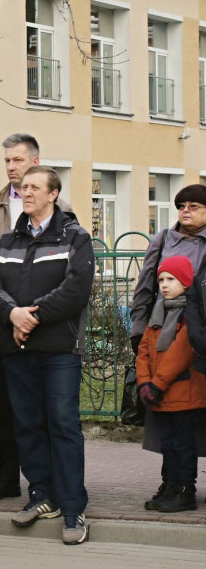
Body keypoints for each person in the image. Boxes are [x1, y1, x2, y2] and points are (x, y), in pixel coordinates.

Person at [0, 165, 95, 546]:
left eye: (33, 187)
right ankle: (41, 495)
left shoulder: (75, 238)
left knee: (62, 424)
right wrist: (12, 313)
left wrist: (33, 315)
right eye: (23, 187)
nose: (25, 192)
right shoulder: (7, 242)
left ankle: (73, 507)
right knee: (27, 425)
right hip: (16, 347)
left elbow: (76, 289)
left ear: (52, 194)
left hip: (58, 348)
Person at [0, 133, 70, 503]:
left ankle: (50, 482)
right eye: (7, 161)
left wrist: (35, 312)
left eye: (18, 161)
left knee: (49, 408)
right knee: (8, 408)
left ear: (36, 161)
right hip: (1, 323)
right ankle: (6, 478)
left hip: (47, 326)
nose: (11, 168)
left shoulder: (63, 211)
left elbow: (69, 270)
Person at [128, 183, 206, 464]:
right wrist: (138, 330)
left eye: (194, 206)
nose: (186, 210)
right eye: (181, 206)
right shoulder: (163, 240)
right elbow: (145, 288)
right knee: (173, 413)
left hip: (200, 335)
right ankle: (175, 479)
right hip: (164, 332)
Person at [136, 255, 206, 512]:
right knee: (168, 446)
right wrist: (144, 382)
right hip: (160, 394)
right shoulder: (159, 312)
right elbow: (143, 350)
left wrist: (156, 384)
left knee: (182, 445)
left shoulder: (190, 314)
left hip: (184, 392)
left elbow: (181, 353)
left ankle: (185, 489)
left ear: (186, 283)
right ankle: (169, 486)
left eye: (171, 279)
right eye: (161, 279)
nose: (164, 285)